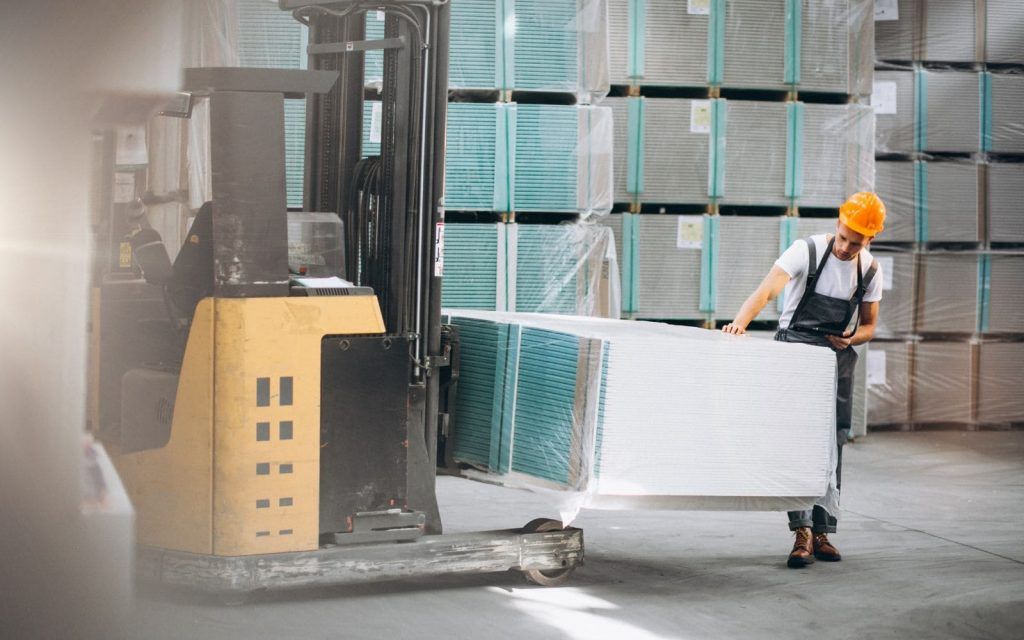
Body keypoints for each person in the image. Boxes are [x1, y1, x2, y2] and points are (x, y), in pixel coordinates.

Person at [721, 192, 886, 569]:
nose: (845, 247)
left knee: (832, 443)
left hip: (834, 358)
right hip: (794, 353)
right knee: (795, 442)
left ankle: (824, 529)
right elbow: (766, 292)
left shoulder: (871, 270)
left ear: (870, 240)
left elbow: (870, 326)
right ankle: (802, 533)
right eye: (843, 236)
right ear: (838, 224)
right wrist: (738, 325)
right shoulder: (806, 251)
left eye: (855, 242)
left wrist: (851, 338)